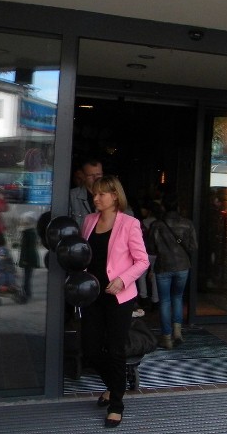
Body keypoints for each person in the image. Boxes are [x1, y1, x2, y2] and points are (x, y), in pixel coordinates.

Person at [80, 175, 149, 428]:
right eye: (94, 194)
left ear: (115, 197)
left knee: (116, 349)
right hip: (92, 294)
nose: (95, 198)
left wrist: (122, 279)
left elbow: (142, 261)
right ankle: (114, 385)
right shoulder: (88, 221)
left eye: (101, 194)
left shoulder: (129, 224)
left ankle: (116, 404)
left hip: (119, 296)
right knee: (90, 348)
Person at [146, 194, 197, 350]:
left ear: (163, 207)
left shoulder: (157, 225)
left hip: (163, 267)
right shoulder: (187, 224)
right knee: (177, 298)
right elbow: (194, 246)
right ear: (178, 207)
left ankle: (166, 338)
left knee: (165, 301)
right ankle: (177, 332)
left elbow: (151, 249)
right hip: (182, 267)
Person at [136, 200, 162, 315]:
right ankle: (155, 300)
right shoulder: (161, 223)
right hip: (157, 253)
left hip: (145, 252)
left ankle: (143, 297)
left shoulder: (143, 222)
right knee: (155, 276)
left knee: (141, 275)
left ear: (148, 210)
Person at [69, 158, 104, 229]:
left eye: (98, 174)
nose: (95, 178)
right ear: (83, 176)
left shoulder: (111, 194)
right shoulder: (72, 196)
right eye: (91, 175)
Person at [18, 211, 41, 300]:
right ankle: (28, 292)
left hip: (27, 258)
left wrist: (23, 260)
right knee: (28, 276)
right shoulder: (32, 232)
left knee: (26, 277)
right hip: (31, 258)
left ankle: (26, 292)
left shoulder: (27, 233)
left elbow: (25, 248)